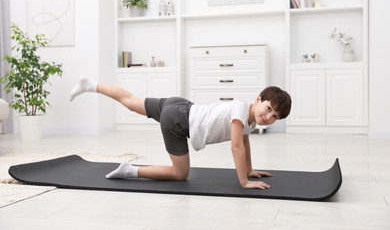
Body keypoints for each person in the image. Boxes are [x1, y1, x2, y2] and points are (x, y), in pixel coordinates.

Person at [69, 77, 292, 189]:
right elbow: (236, 146)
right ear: (258, 100)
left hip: (182, 106)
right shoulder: (241, 111)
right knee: (180, 174)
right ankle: (130, 170)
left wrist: (250, 169)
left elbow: (245, 141)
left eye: (275, 117)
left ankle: (91, 85)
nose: (269, 117)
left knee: (131, 102)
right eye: (269, 108)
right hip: (178, 120)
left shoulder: (248, 119)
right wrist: (244, 181)